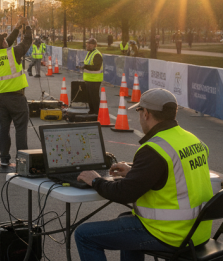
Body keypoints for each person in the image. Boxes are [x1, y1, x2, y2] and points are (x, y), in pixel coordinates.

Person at [74, 89, 214, 261]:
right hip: (197, 231)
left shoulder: (154, 149)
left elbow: (125, 193)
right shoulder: (192, 139)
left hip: (171, 234)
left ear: (146, 113)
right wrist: (136, 172)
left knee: (84, 235)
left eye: (139, 112)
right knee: (125, 220)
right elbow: (175, 173)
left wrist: (95, 180)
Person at [0, 17, 33, 167]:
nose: (7, 42)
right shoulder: (13, 53)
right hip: (17, 97)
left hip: (1, 99)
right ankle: (21, 161)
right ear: (3, 43)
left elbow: (9, 43)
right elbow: (27, 42)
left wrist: (17, 28)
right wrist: (27, 26)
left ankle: (4, 158)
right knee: (20, 129)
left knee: (4, 129)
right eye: (5, 41)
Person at [78, 37, 103, 115]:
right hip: (89, 79)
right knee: (89, 97)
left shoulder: (97, 54)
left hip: (95, 80)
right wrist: (83, 66)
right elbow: (88, 64)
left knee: (94, 97)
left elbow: (96, 67)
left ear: (95, 45)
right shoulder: (90, 53)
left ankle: (97, 113)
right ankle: (92, 111)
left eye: (90, 44)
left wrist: (85, 67)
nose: (88, 45)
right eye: (87, 44)